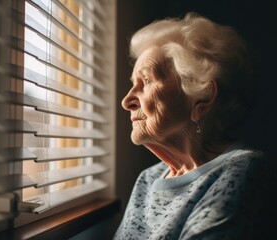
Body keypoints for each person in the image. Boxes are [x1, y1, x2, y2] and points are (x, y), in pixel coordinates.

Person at [114, 12, 275, 240]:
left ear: (203, 98)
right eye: (134, 84)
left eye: (147, 81)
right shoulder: (148, 179)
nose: (127, 100)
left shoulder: (243, 171)